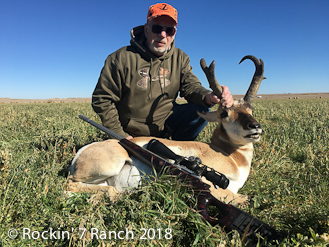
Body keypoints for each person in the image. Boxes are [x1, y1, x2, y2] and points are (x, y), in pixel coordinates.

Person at [92, 3, 233, 141]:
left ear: (174, 33)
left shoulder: (180, 58)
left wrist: (209, 96)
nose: (163, 35)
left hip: (166, 125)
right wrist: (120, 135)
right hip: (131, 132)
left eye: (169, 30)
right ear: (146, 29)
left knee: (200, 112)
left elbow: (191, 87)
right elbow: (102, 99)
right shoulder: (120, 57)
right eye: (157, 28)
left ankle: (176, 148)